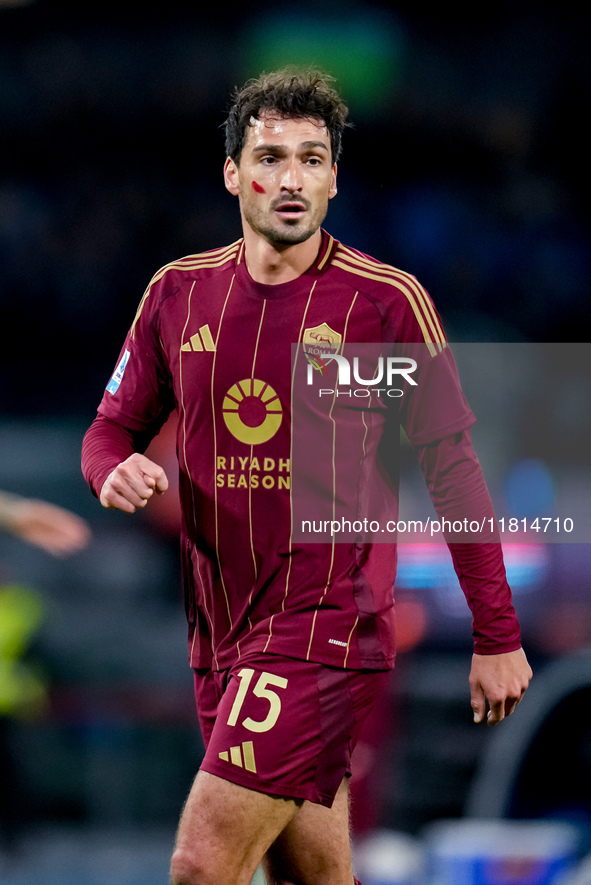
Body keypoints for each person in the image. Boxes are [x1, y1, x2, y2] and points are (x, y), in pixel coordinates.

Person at [81, 68, 532, 885]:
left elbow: (451, 469)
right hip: (218, 627)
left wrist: (495, 633)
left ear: (333, 177)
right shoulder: (178, 295)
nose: (291, 178)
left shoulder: (382, 305)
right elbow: (110, 429)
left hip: (324, 625)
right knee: (312, 875)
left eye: (312, 159)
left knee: (202, 861)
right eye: (271, 156)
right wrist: (111, 472)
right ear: (232, 173)